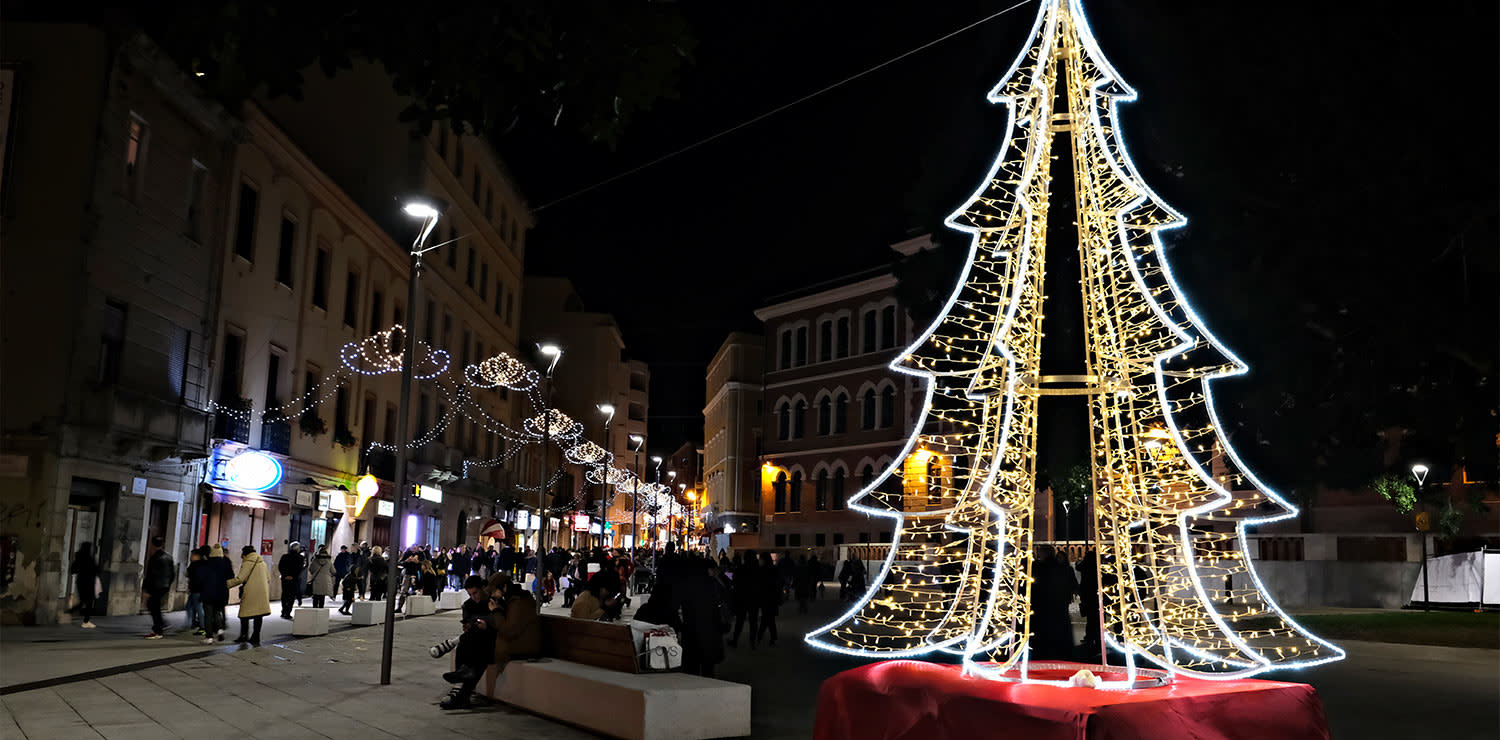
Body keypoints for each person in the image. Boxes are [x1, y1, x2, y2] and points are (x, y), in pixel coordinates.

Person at [675, 561, 728, 677]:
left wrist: (681, 626)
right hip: (711, 631)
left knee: (691, 668)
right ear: (708, 570)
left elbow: (678, 607)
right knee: (708, 668)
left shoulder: (687, 584)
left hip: (691, 632)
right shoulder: (714, 584)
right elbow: (724, 603)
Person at [1029, 544, 1076, 660]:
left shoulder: (1036, 567)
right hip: (1059, 606)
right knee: (1060, 634)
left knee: (1042, 637)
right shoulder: (1063, 568)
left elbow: (1032, 588)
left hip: (1041, 608)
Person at [227, 545, 271, 647]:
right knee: (259, 614)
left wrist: (227, 584)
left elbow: (240, 579)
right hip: (262, 592)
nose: (241, 557)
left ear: (245, 554)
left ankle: (244, 635)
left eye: (242, 554)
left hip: (251, 591)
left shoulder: (247, 562)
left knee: (244, 614)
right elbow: (268, 578)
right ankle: (256, 636)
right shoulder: (262, 562)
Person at [200, 545, 235, 643]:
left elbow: (201, 578)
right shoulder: (226, 562)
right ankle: (220, 631)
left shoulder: (206, 563)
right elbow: (231, 576)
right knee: (217, 613)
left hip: (208, 592)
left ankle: (209, 637)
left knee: (208, 615)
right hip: (221, 592)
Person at [142, 535, 175, 639]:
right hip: (164, 585)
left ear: (152, 544)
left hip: (155, 586)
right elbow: (173, 573)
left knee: (153, 606)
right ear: (163, 544)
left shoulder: (154, 558)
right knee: (154, 606)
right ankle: (161, 625)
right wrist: (168, 584)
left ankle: (158, 629)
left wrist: (146, 588)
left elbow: (151, 574)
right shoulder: (169, 557)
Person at [727, 550, 759, 648]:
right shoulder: (757, 569)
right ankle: (752, 642)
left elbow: (734, 581)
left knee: (740, 621)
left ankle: (735, 640)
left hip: (742, 597)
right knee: (753, 621)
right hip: (754, 598)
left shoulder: (741, 568)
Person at [754, 551, 781, 647]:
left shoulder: (762, 570)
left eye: (760, 559)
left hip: (765, 598)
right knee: (769, 619)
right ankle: (772, 638)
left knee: (766, 619)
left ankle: (760, 637)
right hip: (772, 598)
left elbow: (759, 585)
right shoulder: (773, 569)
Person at [71, 542, 100, 629]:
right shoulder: (89, 558)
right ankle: (85, 621)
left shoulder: (78, 557)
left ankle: (69, 612)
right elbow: (95, 570)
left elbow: (73, 569)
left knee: (84, 601)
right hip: (88, 582)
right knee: (88, 602)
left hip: (80, 581)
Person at [277, 542, 304, 619]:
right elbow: (299, 569)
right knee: (291, 596)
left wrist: (285, 575)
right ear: (298, 549)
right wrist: (293, 576)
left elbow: (280, 567)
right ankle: (288, 612)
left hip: (285, 579)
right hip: (294, 579)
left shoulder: (284, 556)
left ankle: (283, 611)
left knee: (285, 594)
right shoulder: (300, 558)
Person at [184, 546, 208, 633]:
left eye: (192, 555)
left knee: (198, 607)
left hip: (196, 590)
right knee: (190, 606)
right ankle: (192, 624)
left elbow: (187, 574)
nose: (191, 557)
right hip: (200, 589)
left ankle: (202, 627)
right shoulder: (204, 563)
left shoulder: (195, 564)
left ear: (197, 555)